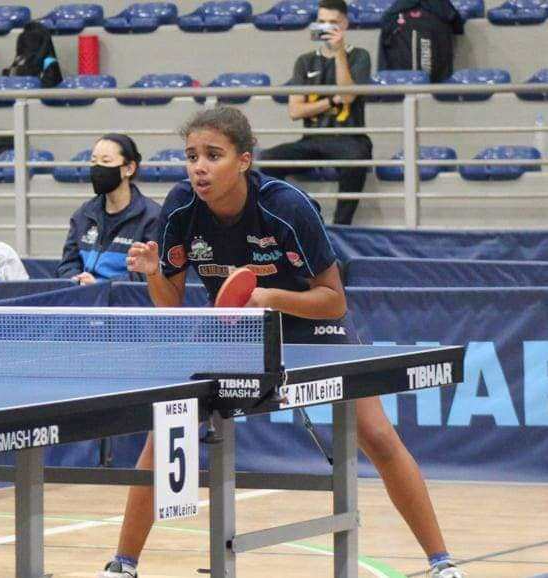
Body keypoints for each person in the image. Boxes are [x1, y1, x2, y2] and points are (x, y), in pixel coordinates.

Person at [100, 107, 463, 578]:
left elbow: (333, 301)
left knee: (375, 434)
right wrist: (153, 274)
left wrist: (270, 296)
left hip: (311, 324)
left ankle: (441, 561)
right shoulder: (180, 208)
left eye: (213, 155)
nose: (199, 167)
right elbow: (171, 307)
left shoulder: (286, 205)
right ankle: (123, 564)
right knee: (169, 428)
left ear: (244, 160)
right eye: (191, 157)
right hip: (239, 328)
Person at [258, 0, 373, 226]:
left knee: (356, 160)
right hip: (312, 139)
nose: (326, 28)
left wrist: (339, 53)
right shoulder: (305, 61)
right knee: (268, 161)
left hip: (349, 138)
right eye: (322, 22)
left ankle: (341, 227)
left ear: (345, 24)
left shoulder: (359, 56)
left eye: (333, 23)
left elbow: (348, 95)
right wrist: (331, 101)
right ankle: (293, 219)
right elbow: (295, 110)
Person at [57, 134, 161, 285]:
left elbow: (145, 276)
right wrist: (75, 280)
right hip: (82, 299)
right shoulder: (83, 214)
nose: (97, 168)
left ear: (129, 168)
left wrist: (100, 286)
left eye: (106, 161)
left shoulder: (152, 217)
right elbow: (67, 264)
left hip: (123, 304)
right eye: (93, 161)